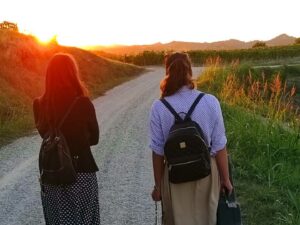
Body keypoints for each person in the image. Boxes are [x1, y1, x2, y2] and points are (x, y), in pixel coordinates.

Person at [149, 52, 233, 225]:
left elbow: (158, 152)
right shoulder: (210, 102)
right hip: (206, 174)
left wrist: (158, 187)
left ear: (168, 72)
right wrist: (226, 180)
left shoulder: (159, 107)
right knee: (206, 219)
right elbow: (219, 145)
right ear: (190, 71)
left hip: (174, 177)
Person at [33, 53, 100, 225]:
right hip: (82, 173)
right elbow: (94, 139)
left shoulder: (39, 104)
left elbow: (45, 135)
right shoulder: (83, 103)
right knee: (85, 220)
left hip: (52, 174)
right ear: (73, 74)